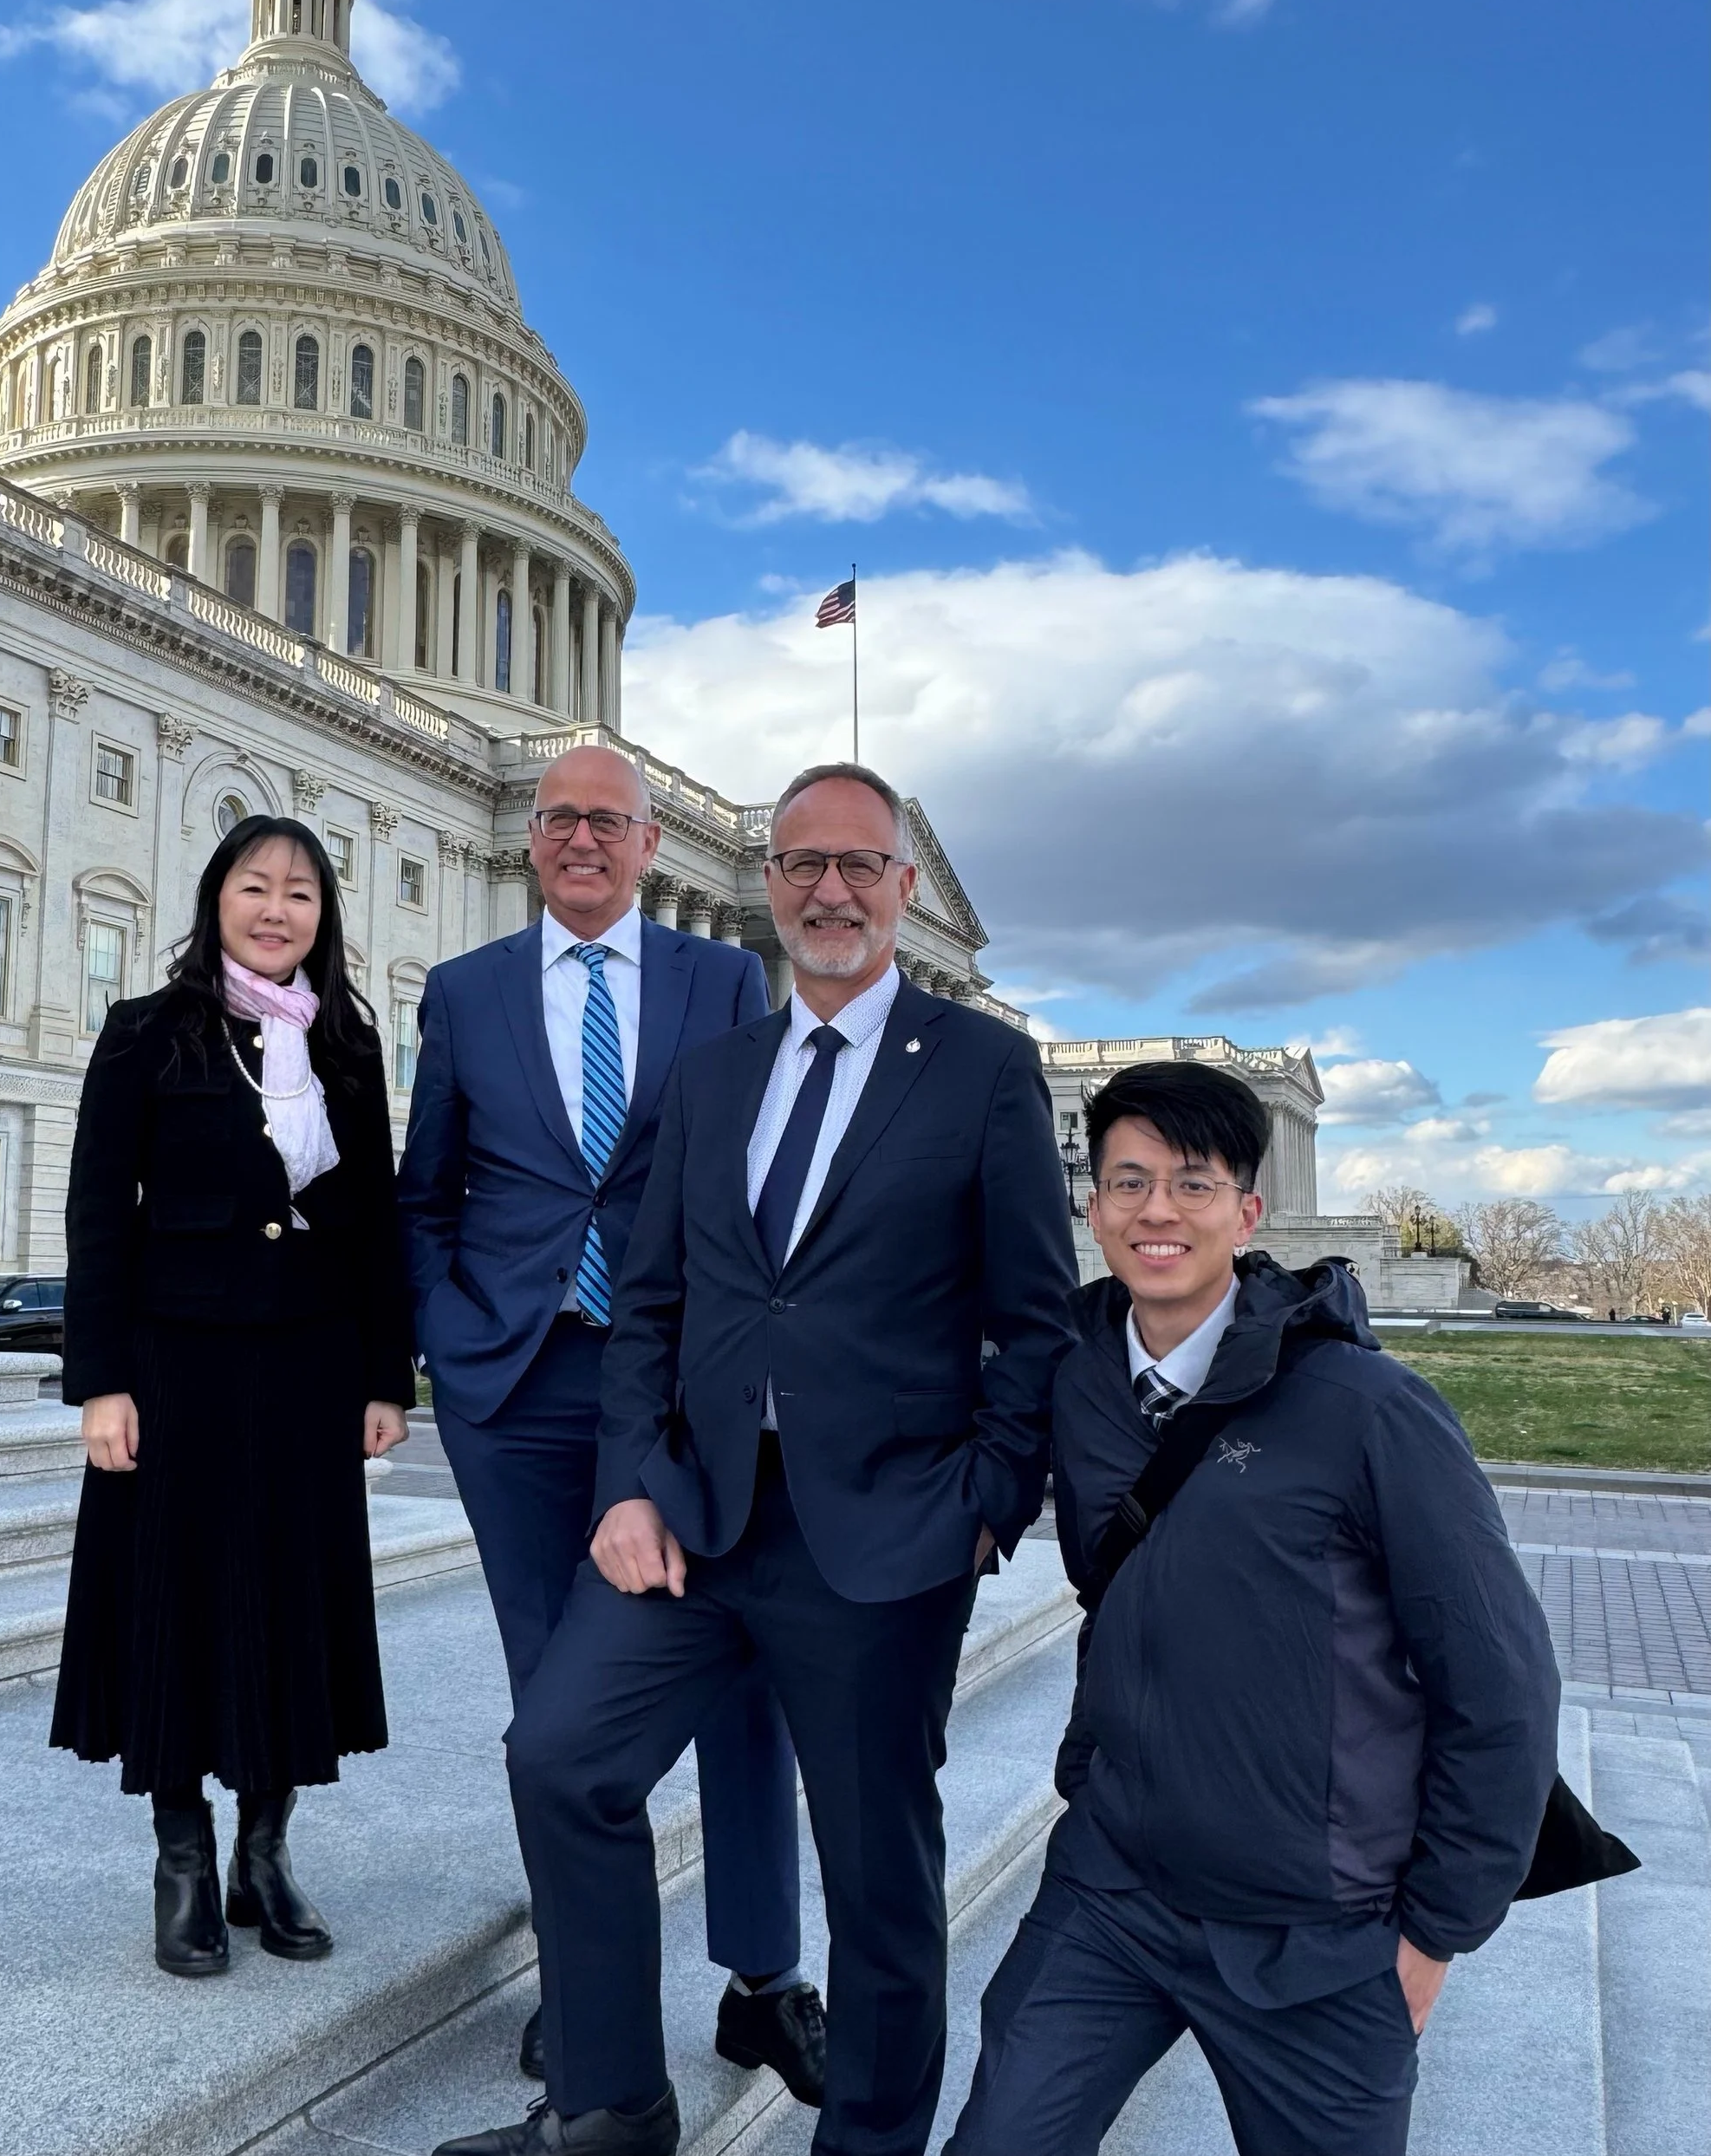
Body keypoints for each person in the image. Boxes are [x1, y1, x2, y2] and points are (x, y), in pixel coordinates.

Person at [435, 763, 1079, 2156]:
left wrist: (986, 1505)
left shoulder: (980, 1071)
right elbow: (652, 1304)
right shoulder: (715, 1073)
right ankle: (611, 2105)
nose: (829, 890)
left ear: (906, 888)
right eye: (801, 865)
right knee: (560, 1758)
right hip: (697, 1517)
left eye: (858, 865)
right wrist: (623, 1482)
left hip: (884, 1534)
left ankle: (867, 2144)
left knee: (877, 1877)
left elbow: (1033, 1319)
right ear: (767, 884)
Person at [946, 1059, 1561, 2156]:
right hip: (1114, 1889)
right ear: (1094, 1208)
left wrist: (1434, 1933)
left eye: (1191, 1183)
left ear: (1246, 1209)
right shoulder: (1081, 1380)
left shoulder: (1369, 1409)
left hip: (1316, 1931)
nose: (1157, 1212)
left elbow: (1501, 1682)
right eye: (1129, 1183)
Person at [399, 744, 816, 2095]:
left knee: (739, 1669)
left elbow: (759, 1182)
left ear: (652, 847)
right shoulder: (464, 993)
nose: (584, 840)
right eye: (562, 819)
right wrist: (447, 1337)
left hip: (686, 1391)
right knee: (552, 1692)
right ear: (532, 841)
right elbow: (427, 1190)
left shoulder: (720, 978)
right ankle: (587, 1987)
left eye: (610, 822)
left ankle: (764, 1975)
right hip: (514, 1384)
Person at [50, 814, 414, 1980]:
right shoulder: (148, 1036)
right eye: (255, 887)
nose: (277, 910)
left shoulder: (348, 1043)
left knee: (288, 1603)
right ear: (216, 899)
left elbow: (375, 1231)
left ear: (325, 918)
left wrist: (383, 1377)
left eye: (301, 894)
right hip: (176, 1367)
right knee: (175, 1598)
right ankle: (183, 1859)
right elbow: (100, 1216)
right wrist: (100, 1382)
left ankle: (266, 1848)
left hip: (308, 1369)